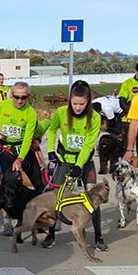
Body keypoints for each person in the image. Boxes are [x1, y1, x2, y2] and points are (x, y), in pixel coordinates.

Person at [43, 81, 103, 249]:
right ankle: (51, 234)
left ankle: (98, 237)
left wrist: (78, 166)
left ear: (88, 102)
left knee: (93, 198)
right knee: (56, 197)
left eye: (81, 104)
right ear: (70, 100)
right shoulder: (61, 112)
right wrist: (50, 150)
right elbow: (52, 130)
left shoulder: (95, 117)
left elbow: (88, 144)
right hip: (65, 161)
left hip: (85, 162)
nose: (77, 107)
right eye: (74, 103)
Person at [0, 82, 43, 195]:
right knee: (9, 184)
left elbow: (27, 139)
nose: (20, 101)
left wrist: (20, 159)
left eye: (23, 97)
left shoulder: (30, 113)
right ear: (12, 95)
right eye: (16, 97)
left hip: (23, 149)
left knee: (38, 183)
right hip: (6, 149)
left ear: (28, 96)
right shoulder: (3, 105)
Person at [118, 60, 138, 147]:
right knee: (127, 146)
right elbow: (122, 102)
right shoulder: (127, 83)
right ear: (136, 71)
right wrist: (133, 113)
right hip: (129, 120)